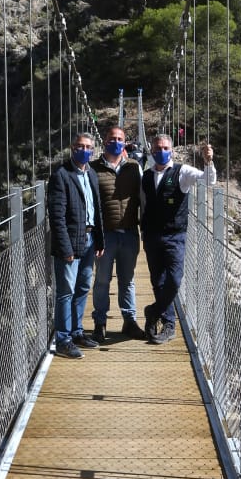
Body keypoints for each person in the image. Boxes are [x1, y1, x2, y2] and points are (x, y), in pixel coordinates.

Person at [140, 132, 216, 344]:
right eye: (157, 149)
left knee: (174, 279)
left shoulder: (182, 171)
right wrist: (142, 231)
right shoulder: (145, 176)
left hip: (175, 236)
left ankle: (154, 311)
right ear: (151, 151)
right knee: (158, 281)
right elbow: (143, 205)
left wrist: (209, 162)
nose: (161, 152)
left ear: (171, 150)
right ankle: (168, 324)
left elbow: (209, 181)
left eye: (165, 148)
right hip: (152, 236)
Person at [46, 130, 105, 358]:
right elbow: (57, 217)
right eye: (80, 146)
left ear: (93, 150)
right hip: (70, 242)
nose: (84, 150)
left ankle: (77, 331)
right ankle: (63, 339)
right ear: (73, 148)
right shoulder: (61, 175)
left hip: (89, 240)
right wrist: (65, 248)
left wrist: (100, 239)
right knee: (66, 291)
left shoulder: (91, 174)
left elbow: (96, 211)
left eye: (88, 147)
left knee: (82, 288)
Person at [90, 124, 146, 344]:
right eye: (112, 138)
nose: (116, 142)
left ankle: (129, 320)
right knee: (102, 280)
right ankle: (99, 323)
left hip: (130, 233)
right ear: (105, 141)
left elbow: (144, 197)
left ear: (125, 142)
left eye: (120, 139)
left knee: (128, 280)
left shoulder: (134, 167)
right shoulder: (93, 168)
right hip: (105, 235)